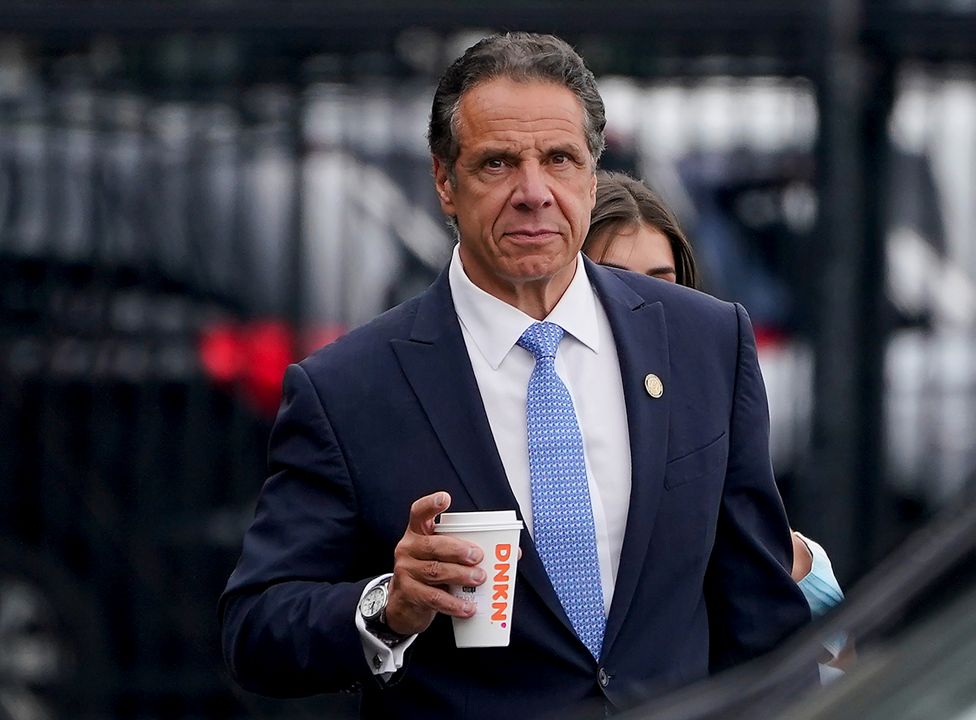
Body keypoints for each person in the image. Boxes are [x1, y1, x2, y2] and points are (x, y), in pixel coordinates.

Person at [219, 32, 812, 718]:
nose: (534, 193)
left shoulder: (706, 341)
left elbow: (761, 619)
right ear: (445, 182)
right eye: (497, 163)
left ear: (592, 173)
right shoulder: (349, 389)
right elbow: (256, 627)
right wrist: (389, 605)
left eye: (559, 159)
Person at [582, 170, 845, 620]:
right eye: (615, 283)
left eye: (662, 285)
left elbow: (761, 555)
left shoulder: (709, 400)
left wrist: (806, 567)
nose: (638, 307)